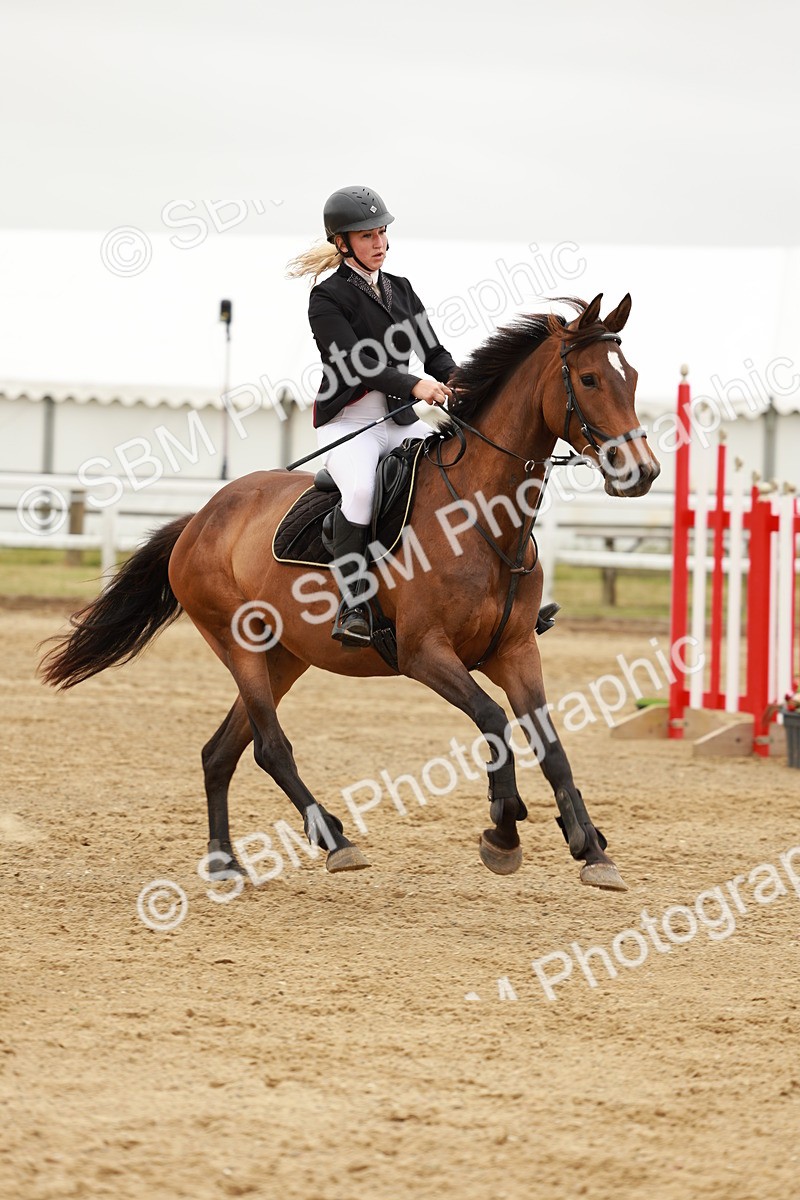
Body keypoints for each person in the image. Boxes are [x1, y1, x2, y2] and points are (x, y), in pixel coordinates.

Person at [287, 185, 457, 646]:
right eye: (367, 236)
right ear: (342, 243)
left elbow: (434, 352)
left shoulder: (402, 289)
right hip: (349, 424)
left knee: (459, 468)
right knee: (361, 491)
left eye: (381, 232)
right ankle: (353, 604)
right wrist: (414, 384)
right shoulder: (327, 297)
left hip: (399, 421)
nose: (379, 243)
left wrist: (459, 381)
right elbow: (356, 362)